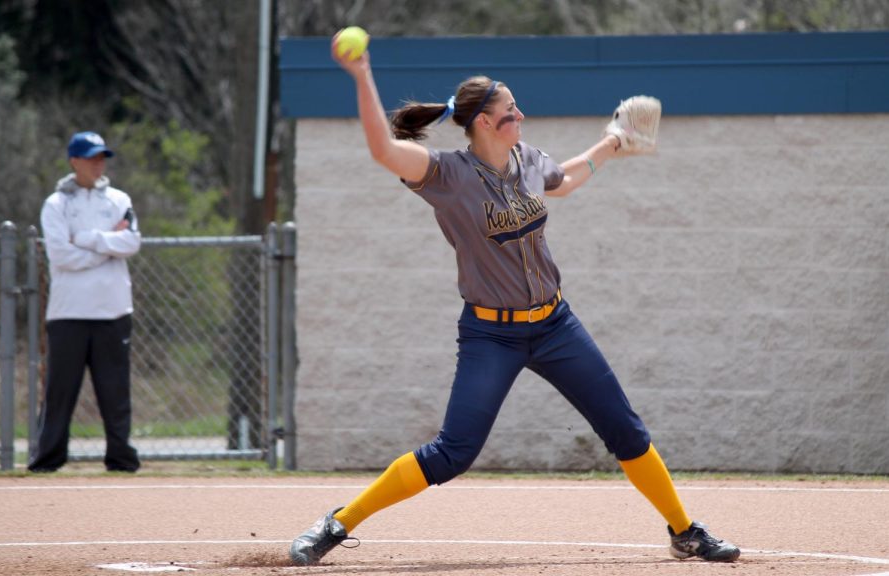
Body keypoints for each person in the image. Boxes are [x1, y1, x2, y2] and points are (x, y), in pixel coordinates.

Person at [289, 37, 740, 564]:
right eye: (509, 113)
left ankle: (684, 530)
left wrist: (611, 143)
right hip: (490, 334)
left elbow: (564, 181)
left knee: (624, 428)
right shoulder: (447, 175)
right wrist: (362, 74)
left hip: (555, 324)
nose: (520, 116)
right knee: (453, 453)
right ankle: (337, 523)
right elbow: (383, 151)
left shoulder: (527, 159)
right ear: (483, 122)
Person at [28, 131, 142, 473]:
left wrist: (89, 239)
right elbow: (61, 255)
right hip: (69, 312)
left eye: (101, 157)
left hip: (113, 310)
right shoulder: (56, 204)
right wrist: (106, 247)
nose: (98, 164)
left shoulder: (119, 199)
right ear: (74, 161)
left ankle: (121, 458)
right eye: (91, 158)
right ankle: (48, 458)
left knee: (115, 391)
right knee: (60, 390)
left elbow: (131, 242)